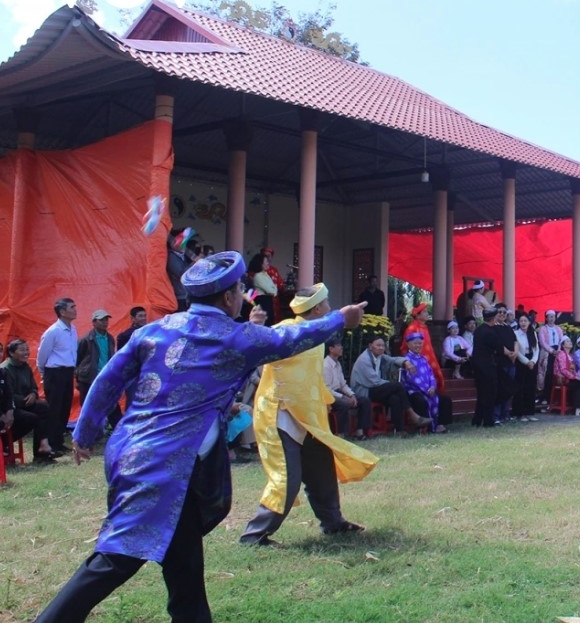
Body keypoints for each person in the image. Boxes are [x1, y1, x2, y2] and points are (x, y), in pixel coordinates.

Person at [33, 252, 366, 623]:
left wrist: (85, 433)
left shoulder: (155, 330)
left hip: (137, 453)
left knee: (184, 554)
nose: (242, 296)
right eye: (240, 290)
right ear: (228, 298)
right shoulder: (236, 337)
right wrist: (341, 318)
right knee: (119, 555)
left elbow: (109, 380)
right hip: (164, 463)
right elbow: (291, 337)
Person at [239, 284, 380, 547]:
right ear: (318, 308)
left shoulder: (317, 335)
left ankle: (333, 523)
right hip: (280, 412)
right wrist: (256, 328)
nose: (329, 306)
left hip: (307, 414)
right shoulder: (286, 329)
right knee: (287, 478)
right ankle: (254, 536)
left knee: (321, 470)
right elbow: (257, 347)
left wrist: (323, 401)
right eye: (327, 303)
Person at [350, 335, 431, 436]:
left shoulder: (380, 356)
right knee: (397, 386)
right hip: (364, 390)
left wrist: (406, 362)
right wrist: (391, 385)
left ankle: (400, 430)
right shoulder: (364, 360)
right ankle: (413, 415)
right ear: (370, 346)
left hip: (375, 389)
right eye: (378, 345)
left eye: (383, 346)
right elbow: (374, 381)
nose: (381, 348)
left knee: (395, 398)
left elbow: (393, 359)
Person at [1, 338, 55, 461]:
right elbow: (8, 395)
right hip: (10, 406)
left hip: (25, 403)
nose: (26, 353)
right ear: (11, 353)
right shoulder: (5, 369)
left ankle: (42, 449)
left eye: (27, 349)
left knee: (44, 407)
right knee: (31, 418)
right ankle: (5, 443)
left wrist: (33, 394)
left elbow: (34, 387)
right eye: (22, 350)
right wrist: (24, 400)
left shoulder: (25, 366)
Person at [37, 297, 78, 454]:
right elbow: (42, 355)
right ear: (62, 311)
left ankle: (58, 441)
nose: (75, 309)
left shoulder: (72, 329)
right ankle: (50, 442)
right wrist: (44, 373)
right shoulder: (53, 331)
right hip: (54, 372)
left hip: (68, 372)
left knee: (65, 407)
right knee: (54, 408)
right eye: (71, 307)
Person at [401, 332, 453, 433]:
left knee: (446, 400)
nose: (418, 346)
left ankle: (440, 425)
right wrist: (427, 389)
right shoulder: (406, 359)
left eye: (420, 343)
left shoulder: (423, 358)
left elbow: (431, 375)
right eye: (415, 343)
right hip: (414, 390)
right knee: (421, 401)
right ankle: (426, 427)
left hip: (429, 390)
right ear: (408, 345)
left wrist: (433, 387)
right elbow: (412, 379)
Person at [75, 309, 118, 426]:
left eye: (106, 320)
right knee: (87, 407)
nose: (105, 322)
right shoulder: (86, 339)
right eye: (101, 320)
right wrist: (79, 377)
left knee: (112, 405)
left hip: (105, 376)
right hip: (88, 378)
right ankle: (84, 435)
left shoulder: (110, 338)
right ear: (94, 322)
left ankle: (118, 432)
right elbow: (77, 359)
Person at [324, 337, 371, 440]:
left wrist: (351, 395)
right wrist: (344, 397)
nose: (341, 348)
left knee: (364, 401)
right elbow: (326, 389)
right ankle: (342, 434)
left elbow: (343, 384)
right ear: (331, 349)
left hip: (339, 391)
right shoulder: (325, 365)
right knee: (344, 404)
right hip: (329, 395)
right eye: (338, 346)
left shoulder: (338, 363)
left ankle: (360, 431)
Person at [470, 307, 510, 427]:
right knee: (490, 394)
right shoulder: (491, 332)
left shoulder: (478, 330)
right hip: (488, 366)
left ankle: (477, 420)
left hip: (477, 365)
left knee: (481, 393)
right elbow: (500, 349)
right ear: (494, 318)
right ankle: (488, 421)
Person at [400, 303, 445, 395]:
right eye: (424, 312)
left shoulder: (424, 327)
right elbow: (405, 348)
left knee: (437, 380)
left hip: (429, 360)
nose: (427, 313)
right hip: (417, 363)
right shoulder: (412, 328)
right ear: (417, 315)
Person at [511, 315, 540, 421]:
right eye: (521, 321)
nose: (523, 323)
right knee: (520, 388)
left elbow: (536, 349)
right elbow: (517, 352)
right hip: (521, 362)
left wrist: (533, 361)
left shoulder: (533, 333)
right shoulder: (515, 334)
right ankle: (520, 413)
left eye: (525, 321)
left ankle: (530, 412)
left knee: (531, 388)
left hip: (532, 360)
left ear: (529, 322)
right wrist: (527, 362)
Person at [248, 252, 278, 322]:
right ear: (261, 264)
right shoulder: (258, 276)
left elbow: (274, 289)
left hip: (268, 302)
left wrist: (274, 288)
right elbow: (272, 291)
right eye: (266, 262)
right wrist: (274, 288)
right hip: (263, 303)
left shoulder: (266, 274)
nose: (268, 263)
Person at [165, 230, 189, 312]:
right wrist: (195, 263)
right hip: (178, 297)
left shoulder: (182, 256)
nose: (181, 243)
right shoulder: (171, 257)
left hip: (186, 296)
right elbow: (182, 274)